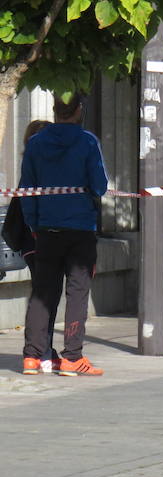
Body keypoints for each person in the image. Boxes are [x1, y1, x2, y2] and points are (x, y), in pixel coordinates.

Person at [20, 95, 107, 376]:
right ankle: (72, 357)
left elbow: (26, 190)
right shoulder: (88, 142)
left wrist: (35, 224)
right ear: (79, 109)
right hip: (80, 228)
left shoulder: (36, 143)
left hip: (46, 229)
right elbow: (100, 185)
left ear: (54, 110)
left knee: (43, 291)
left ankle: (32, 357)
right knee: (77, 292)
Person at [1, 120, 60, 373]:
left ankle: (39, 350)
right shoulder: (44, 168)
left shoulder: (31, 166)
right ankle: (40, 351)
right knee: (46, 295)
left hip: (31, 242)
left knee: (44, 292)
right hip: (41, 240)